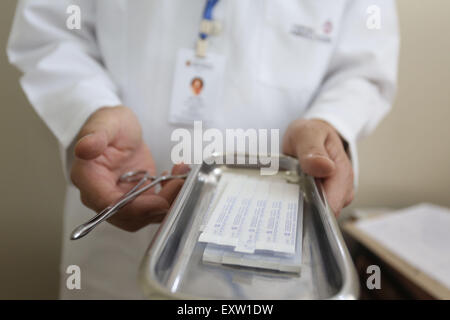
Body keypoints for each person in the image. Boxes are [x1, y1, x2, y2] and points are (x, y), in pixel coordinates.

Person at [7, 0, 399, 299]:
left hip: (281, 248)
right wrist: (90, 110)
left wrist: (330, 126)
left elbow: (362, 67)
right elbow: (53, 33)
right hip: (123, 240)